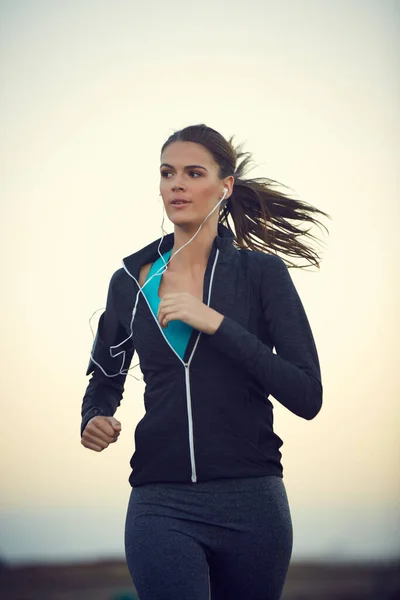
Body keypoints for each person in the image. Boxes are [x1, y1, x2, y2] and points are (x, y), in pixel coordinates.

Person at [80, 124, 330, 600]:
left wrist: (216, 323)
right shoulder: (130, 281)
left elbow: (307, 394)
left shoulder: (262, 275)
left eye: (193, 173)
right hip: (160, 500)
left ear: (225, 186)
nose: (176, 184)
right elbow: (106, 377)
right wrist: (94, 415)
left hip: (252, 500)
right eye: (166, 173)